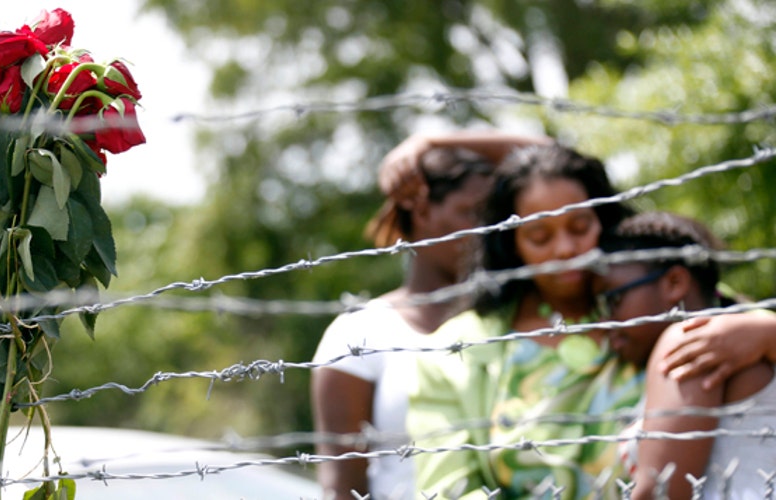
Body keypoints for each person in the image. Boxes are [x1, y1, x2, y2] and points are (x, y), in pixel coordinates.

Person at [404, 143, 776, 499]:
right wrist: (430, 142)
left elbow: (725, 320)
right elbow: (447, 488)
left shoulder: (655, 300)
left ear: (604, 218)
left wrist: (766, 332)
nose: (565, 249)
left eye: (580, 227)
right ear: (512, 245)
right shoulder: (456, 350)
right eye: (539, 236)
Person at [311, 131, 551, 500]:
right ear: (422, 211)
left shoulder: (515, 317)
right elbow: (341, 489)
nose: (490, 232)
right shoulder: (361, 333)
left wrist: (430, 143)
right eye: (472, 213)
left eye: (495, 218)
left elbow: (554, 160)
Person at [593, 211, 776, 499]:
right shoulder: (737, 339)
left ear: (674, 283)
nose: (605, 323)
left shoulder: (693, 341)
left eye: (612, 300)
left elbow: (659, 493)